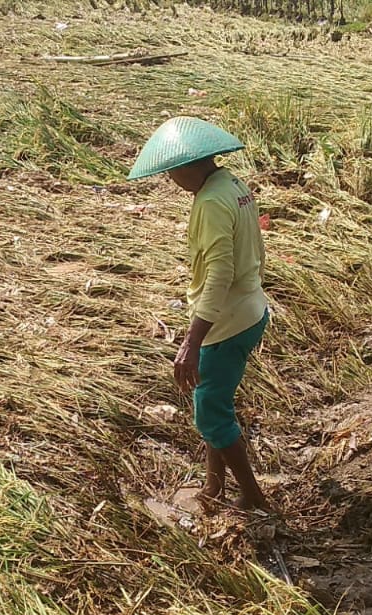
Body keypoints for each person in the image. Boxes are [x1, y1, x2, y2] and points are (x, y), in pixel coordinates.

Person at [128, 116, 270, 512]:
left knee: (210, 414)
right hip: (250, 307)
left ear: (189, 166)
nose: (172, 180)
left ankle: (253, 498)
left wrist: (192, 341)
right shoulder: (233, 185)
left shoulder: (210, 202)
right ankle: (213, 487)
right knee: (212, 405)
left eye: (172, 172)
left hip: (227, 323)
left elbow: (221, 273)